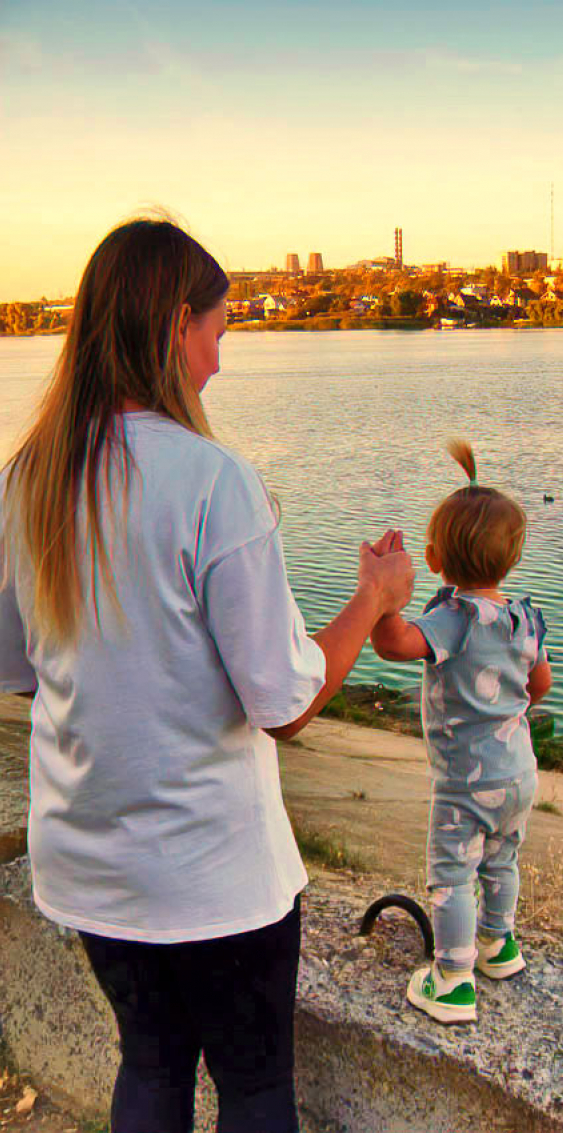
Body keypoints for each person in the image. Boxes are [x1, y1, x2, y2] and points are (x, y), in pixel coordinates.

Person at [0, 217, 414, 1132]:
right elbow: (284, 706)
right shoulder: (212, 481)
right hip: (211, 873)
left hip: (90, 859)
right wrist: (375, 596)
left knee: (150, 1069)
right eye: (219, 333)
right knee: (256, 1087)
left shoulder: (27, 476)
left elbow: (19, 668)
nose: (219, 362)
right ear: (176, 323)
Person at [370, 440, 552, 1024]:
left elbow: (395, 645)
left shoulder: (453, 618)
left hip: (465, 783)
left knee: (453, 872)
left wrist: (381, 599)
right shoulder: (524, 616)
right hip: (519, 773)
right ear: (513, 557)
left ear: (434, 556)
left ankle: (452, 979)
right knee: (502, 862)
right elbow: (539, 685)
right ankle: (498, 946)